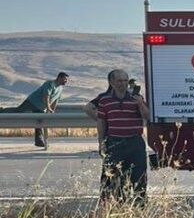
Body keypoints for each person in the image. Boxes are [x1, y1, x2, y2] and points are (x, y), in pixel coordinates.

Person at [83, 69, 150, 204]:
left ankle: (140, 206)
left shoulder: (136, 98)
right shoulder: (105, 100)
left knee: (139, 177)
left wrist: (140, 104)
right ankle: (112, 206)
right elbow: (101, 121)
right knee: (110, 178)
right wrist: (101, 142)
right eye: (119, 81)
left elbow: (147, 116)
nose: (123, 84)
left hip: (135, 142)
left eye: (125, 80)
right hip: (114, 142)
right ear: (111, 82)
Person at [0, 72, 68, 149]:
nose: (66, 81)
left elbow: (55, 100)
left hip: (40, 107)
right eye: (65, 79)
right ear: (59, 78)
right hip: (32, 102)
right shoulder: (49, 84)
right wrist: (48, 108)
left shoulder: (60, 89)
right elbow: (46, 96)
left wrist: (52, 110)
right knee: (18, 111)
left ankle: (39, 141)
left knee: (39, 122)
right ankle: (1, 111)